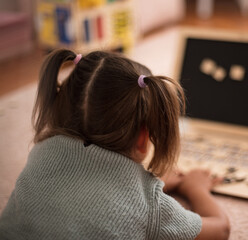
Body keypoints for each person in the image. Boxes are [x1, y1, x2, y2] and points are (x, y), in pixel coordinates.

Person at [0, 49, 230, 239]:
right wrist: (195, 187)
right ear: (143, 138)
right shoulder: (150, 203)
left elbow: (81, 193)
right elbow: (221, 229)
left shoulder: (41, 154)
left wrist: (155, 182)